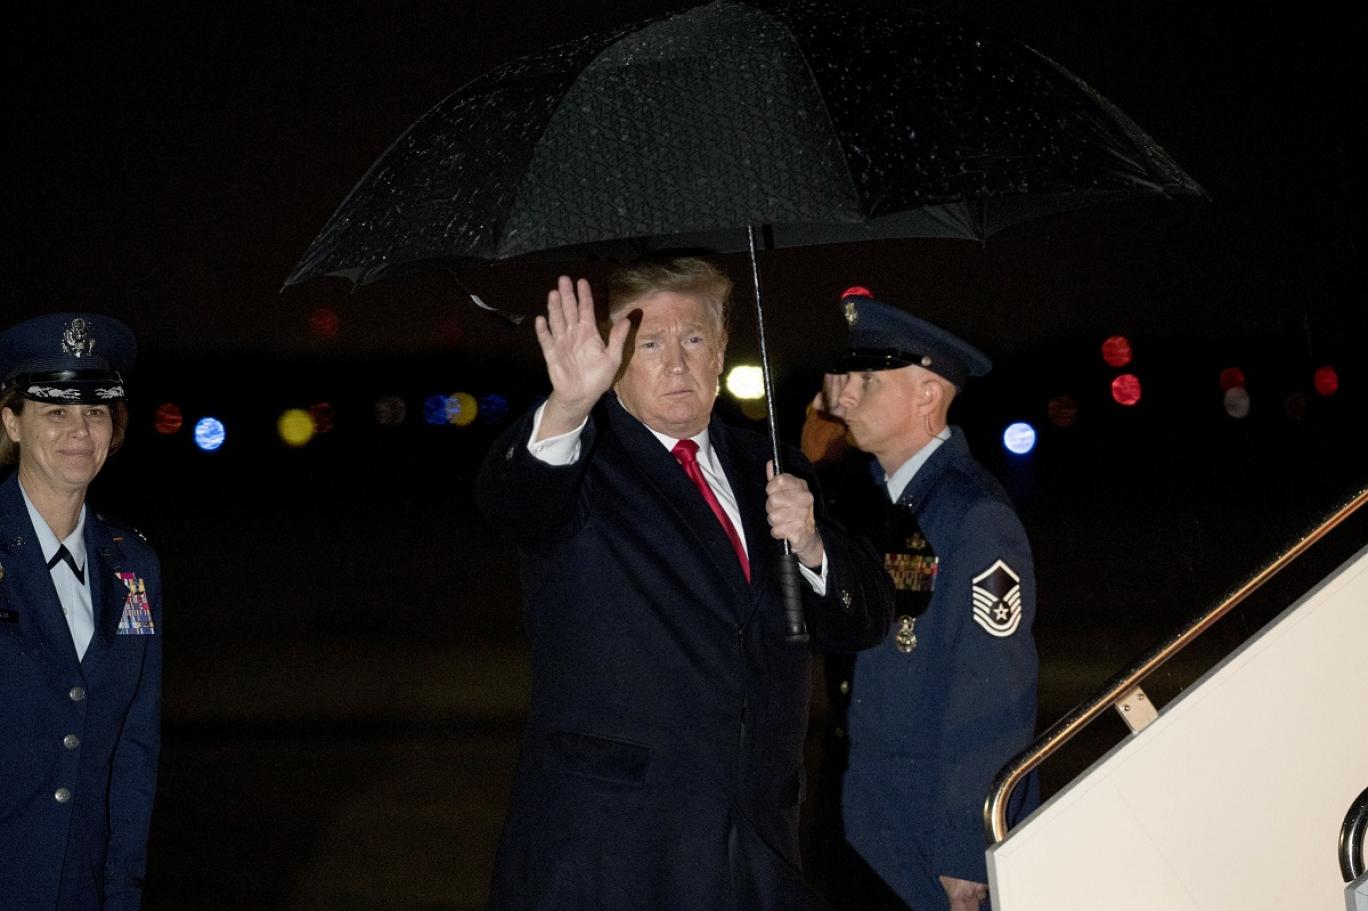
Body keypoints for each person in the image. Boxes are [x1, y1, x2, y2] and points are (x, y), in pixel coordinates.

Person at [474, 257, 895, 910]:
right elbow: (514, 500)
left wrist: (813, 543)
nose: (676, 363)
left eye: (693, 338)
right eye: (649, 343)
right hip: (612, 851)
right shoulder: (582, 462)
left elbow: (862, 620)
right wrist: (566, 406)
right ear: (614, 359)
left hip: (758, 846)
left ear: (721, 350)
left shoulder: (773, 465)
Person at [803, 288, 1039, 911]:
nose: (845, 397)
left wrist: (967, 850)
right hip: (862, 823)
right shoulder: (868, 501)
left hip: (926, 842)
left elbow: (994, 693)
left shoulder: (972, 514)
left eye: (868, 381)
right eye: (846, 378)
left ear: (928, 396)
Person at [0, 312, 162, 911]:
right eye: (56, 412)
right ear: (12, 422)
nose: (80, 431)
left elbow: (134, 749)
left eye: (95, 411)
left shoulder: (133, 566)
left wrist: (120, 894)